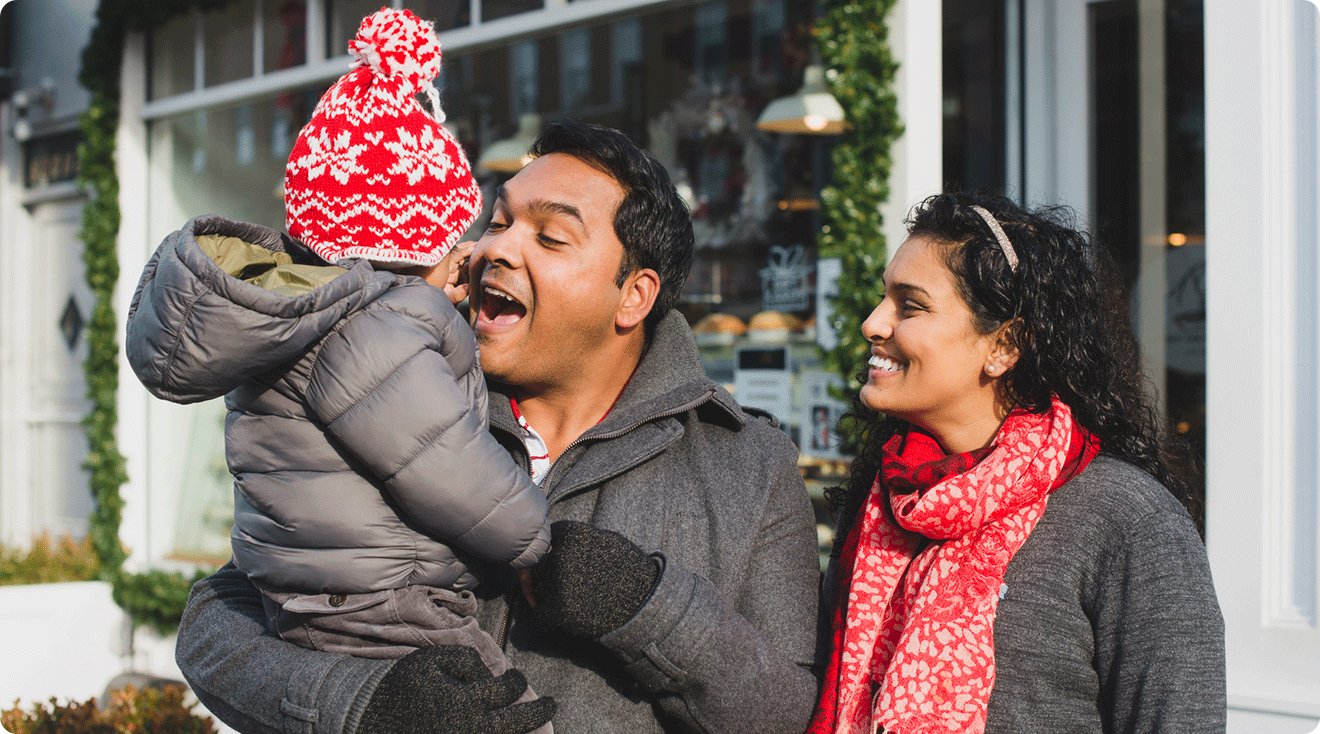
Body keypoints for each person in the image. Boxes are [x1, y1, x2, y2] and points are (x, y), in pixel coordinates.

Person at [170, 119, 822, 734]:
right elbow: (213, 625)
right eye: (500, 219)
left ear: (635, 295)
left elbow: (786, 713)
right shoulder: (398, 399)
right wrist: (359, 704)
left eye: (550, 236)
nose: (494, 246)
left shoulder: (750, 466)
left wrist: (646, 603)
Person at [126, 7, 553, 728]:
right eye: (461, 236)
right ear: (417, 246)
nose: (472, 258)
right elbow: (450, 470)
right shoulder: (380, 335)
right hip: (391, 605)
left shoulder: (308, 324)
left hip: (308, 597)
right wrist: (534, 532)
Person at [809, 191, 1226, 734]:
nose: (873, 323)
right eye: (883, 299)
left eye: (909, 305)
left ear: (1005, 346)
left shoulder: (1127, 520)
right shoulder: (883, 503)